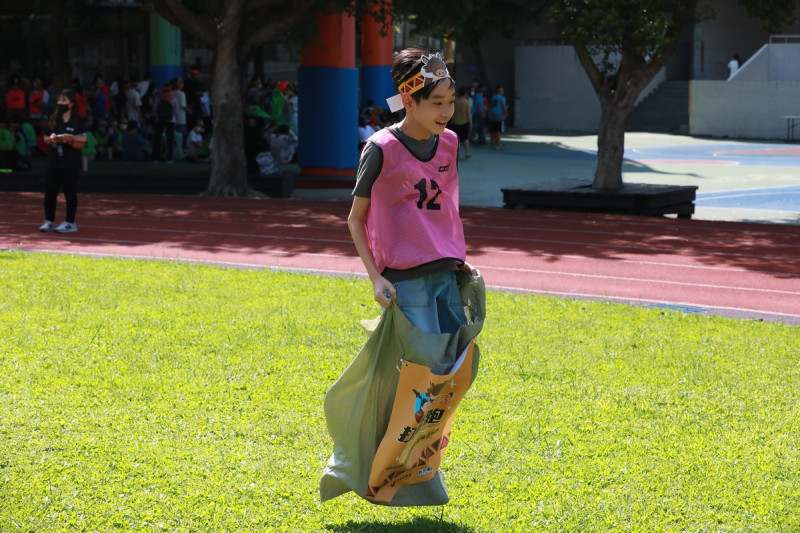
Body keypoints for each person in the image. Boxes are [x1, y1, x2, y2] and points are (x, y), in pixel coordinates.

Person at [348, 46, 475, 330]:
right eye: (437, 102)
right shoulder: (381, 148)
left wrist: (453, 256)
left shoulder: (450, 142)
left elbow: (445, 205)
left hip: (446, 273)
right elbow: (356, 219)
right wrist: (375, 278)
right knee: (417, 364)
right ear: (408, 100)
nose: (447, 111)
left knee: (454, 363)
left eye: (451, 101)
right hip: (404, 279)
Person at [39, 88, 87, 233]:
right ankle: (49, 221)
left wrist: (69, 138)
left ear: (71, 103)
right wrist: (52, 138)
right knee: (50, 191)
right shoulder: (54, 119)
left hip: (71, 162)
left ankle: (70, 222)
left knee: (69, 192)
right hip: (54, 161)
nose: (60, 103)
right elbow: (45, 139)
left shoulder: (78, 121)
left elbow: (83, 140)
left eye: (64, 101)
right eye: (59, 100)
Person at [152, 82, 177, 163]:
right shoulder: (173, 98)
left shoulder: (158, 97)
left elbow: (155, 108)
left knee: (158, 138)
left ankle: (156, 158)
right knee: (170, 139)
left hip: (160, 120)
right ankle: (170, 158)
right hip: (171, 120)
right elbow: (176, 110)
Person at [448, 87, 472, 159]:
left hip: (455, 122)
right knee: (465, 138)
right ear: (465, 94)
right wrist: (471, 122)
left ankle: (456, 154)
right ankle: (467, 152)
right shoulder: (467, 103)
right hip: (465, 122)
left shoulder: (455, 102)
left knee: (456, 139)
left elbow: (452, 112)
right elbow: (468, 113)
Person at [487, 85, 507, 149]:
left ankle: (492, 142)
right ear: (501, 91)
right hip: (499, 114)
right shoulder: (502, 98)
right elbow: (503, 107)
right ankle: (498, 143)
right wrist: (505, 113)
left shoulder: (493, 97)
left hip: (493, 114)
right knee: (498, 130)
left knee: (493, 129)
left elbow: (490, 106)